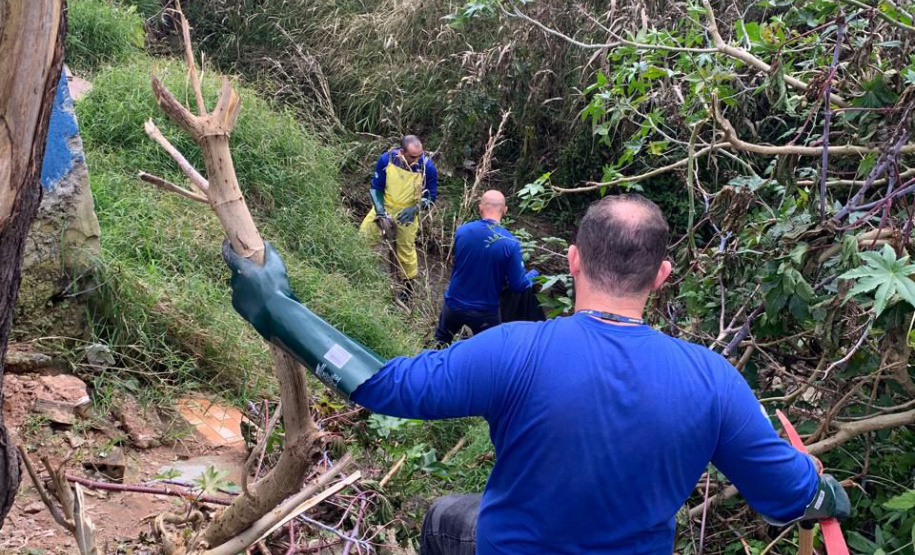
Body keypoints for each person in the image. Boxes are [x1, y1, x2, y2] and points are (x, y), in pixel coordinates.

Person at [222, 193, 850, 554]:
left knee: (443, 520)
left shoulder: (515, 350)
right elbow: (793, 496)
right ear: (661, 277)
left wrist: (279, 310)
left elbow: (382, 386)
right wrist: (822, 491)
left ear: (573, 260)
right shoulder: (714, 380)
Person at [435, 190, 538, 345]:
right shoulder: (510, 243)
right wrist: (533, 275)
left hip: (454, 303)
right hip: (485, 312)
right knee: (489, 352)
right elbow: (518, 285)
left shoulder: (462, 231)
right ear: (505, 210)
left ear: (480, 208)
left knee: (439, 343)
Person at [359, 135, 438, 302]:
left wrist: (416, 208)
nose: (417, 159)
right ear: (402, 152)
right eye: (412, 156)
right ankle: (357, 273)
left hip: (407, 214)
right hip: (385, 206)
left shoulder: (427, 167)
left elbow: (431, 195)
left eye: (419, 155)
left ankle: (408, 290)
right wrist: (380, 211)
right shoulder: (386, 160)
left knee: (406, 251)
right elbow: (376, 188)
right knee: (363, 237)